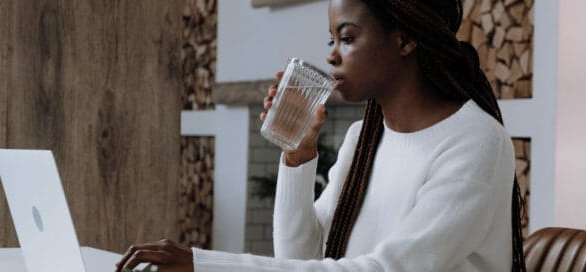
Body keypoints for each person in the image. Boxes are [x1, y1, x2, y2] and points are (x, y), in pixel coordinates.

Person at [115, 0, 526, 271]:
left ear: (405, 39)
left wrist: (202, 264)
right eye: (332, 40)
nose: (331, 55)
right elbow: (300, 257)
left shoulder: (475, 144)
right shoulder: (363, 138)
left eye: (347, 38)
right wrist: (297, 156)